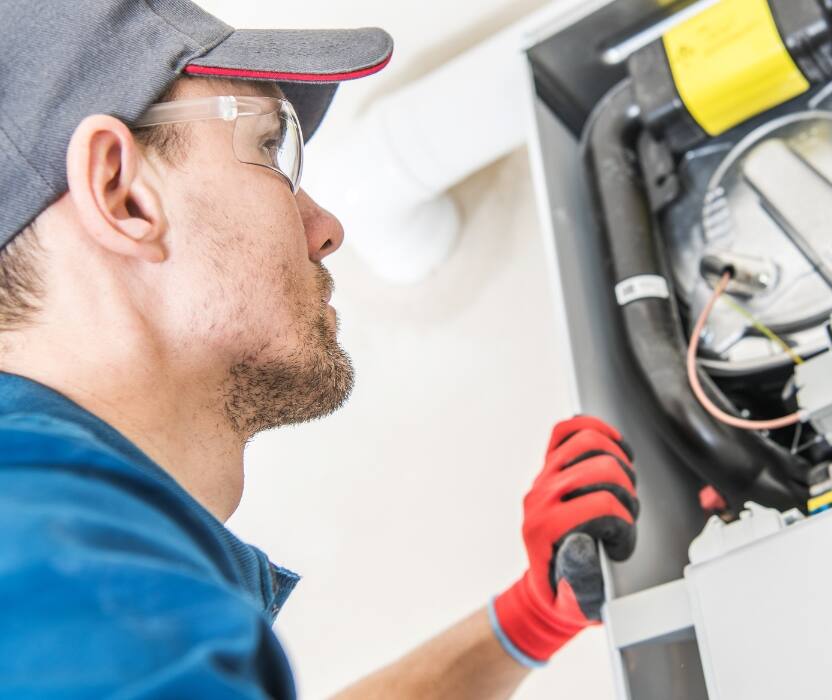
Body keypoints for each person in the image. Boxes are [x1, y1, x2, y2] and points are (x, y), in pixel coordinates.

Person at [0, 2, 640, 698]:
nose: (327, 227)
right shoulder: (75, 579)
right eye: (271, 147)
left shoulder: (64, 576)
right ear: (124, 196)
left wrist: (532, 619)